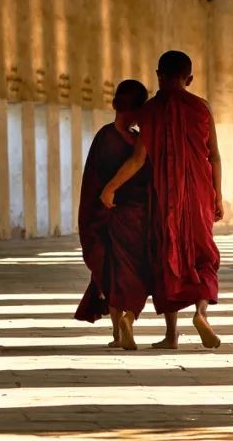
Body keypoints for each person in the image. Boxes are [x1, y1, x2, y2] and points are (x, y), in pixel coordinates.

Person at [101, 51, 223, 350]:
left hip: (165, 196)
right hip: (199, 194)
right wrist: (218, 196)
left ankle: (171, 334)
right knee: (203, 256)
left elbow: (138, 160)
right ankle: (201, 313)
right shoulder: (201, 108)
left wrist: (110, 188)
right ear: (189, 79)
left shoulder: (150, 111)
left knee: (168, 259)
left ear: (158, 76)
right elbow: (214, 156)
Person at [74, 79, 151, 350]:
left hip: (107, 217)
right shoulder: (139, 142)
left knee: (112, 274)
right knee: (136, 273)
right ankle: (130, 317)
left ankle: (118, 333)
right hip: (137, 218)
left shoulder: (105, 137)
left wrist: (91, 219)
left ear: (115, 104)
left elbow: (93, 183)